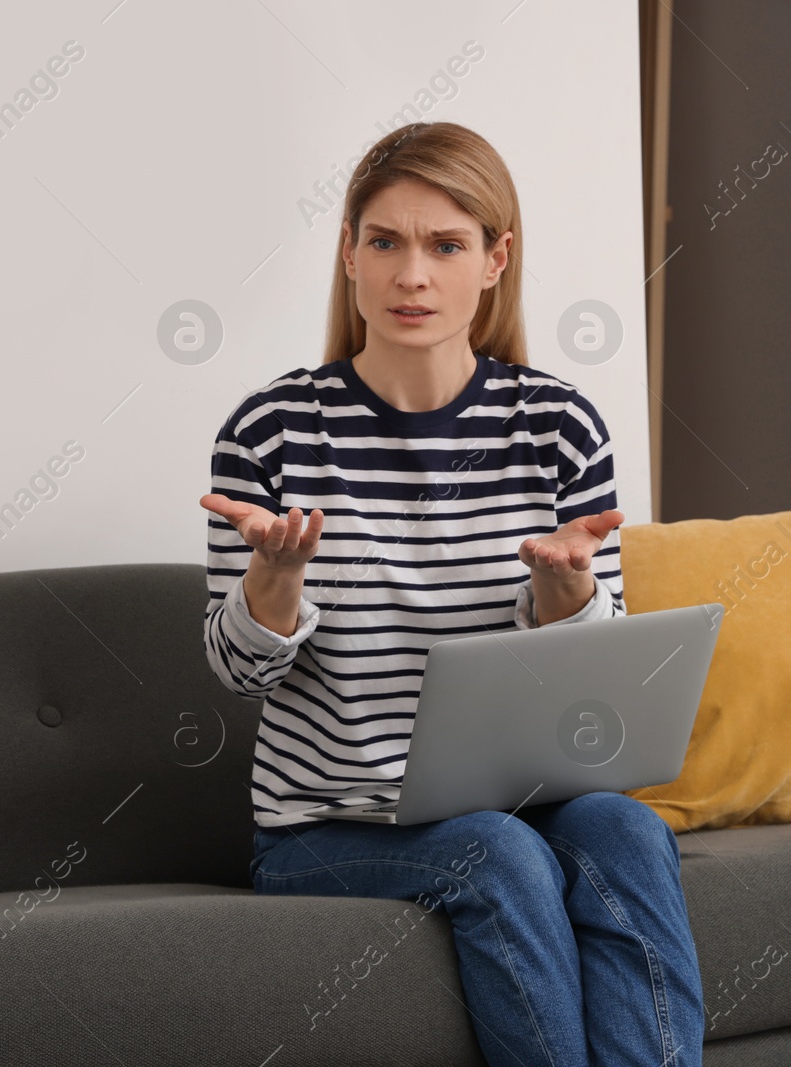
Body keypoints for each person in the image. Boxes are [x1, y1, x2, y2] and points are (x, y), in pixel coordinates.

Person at [199, 122, 703, 1065]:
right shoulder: (272, 431)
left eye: (446, 245)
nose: (411, 275)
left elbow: (604, 676)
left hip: (529, 799)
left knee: (627, 829)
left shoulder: (558, 426)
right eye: (384, 241)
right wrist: (271, 589)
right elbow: (236, 675)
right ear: (348, 254)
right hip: (330, 827)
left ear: (495, 260)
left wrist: (567, 598)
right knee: (497, 852)